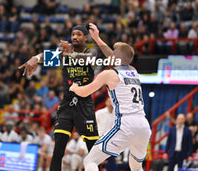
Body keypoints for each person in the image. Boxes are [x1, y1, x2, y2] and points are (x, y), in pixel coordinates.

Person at [70, 23, 151, 171]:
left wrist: (75, 88)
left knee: (90, 161)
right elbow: (116, 59)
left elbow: (85, 92)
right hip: (143, 125)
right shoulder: (133, 71)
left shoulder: (109, 74)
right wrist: (98, 39)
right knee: (136, 167)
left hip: (126, 124)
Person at [19, 25, 99, 171]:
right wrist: (34, 58)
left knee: (93, 152)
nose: (75, 37)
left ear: (85, 38)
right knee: (58, 151)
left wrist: (68, 55)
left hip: (85, 105)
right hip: (67, 105)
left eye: (79, 34)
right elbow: (44, 57)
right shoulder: (64, 54)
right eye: (73, 34)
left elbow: (87, 59)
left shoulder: (91, 52)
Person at [95, 98, 117, 171]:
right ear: (105, 103)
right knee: (97, 160)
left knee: (111, 161)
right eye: (108, 101)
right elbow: (94, 125)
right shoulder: (99, 113)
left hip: (113, 141)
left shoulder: (117, 114)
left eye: (112, 101)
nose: (110, 102)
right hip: (100, 140)